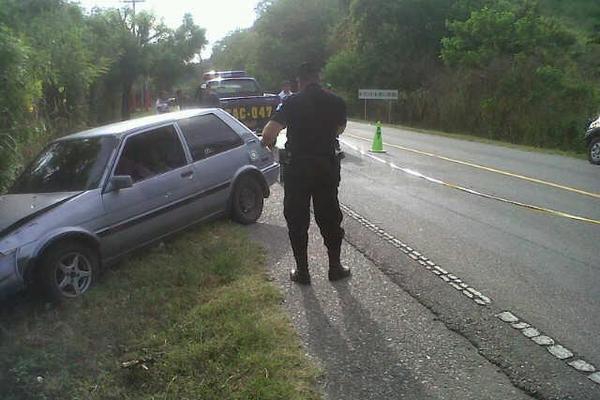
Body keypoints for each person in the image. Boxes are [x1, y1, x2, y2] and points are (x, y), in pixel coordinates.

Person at [261, 62, 350, 285]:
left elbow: (269, 134)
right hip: (325, 167)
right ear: (318, 78)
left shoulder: (291, 102)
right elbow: (340, 128)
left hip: (297, 170)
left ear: (299, 81)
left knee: (297, 219)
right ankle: (334, 268)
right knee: (330, 217)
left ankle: (303, 272)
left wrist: (267, 144)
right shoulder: (336, 101)